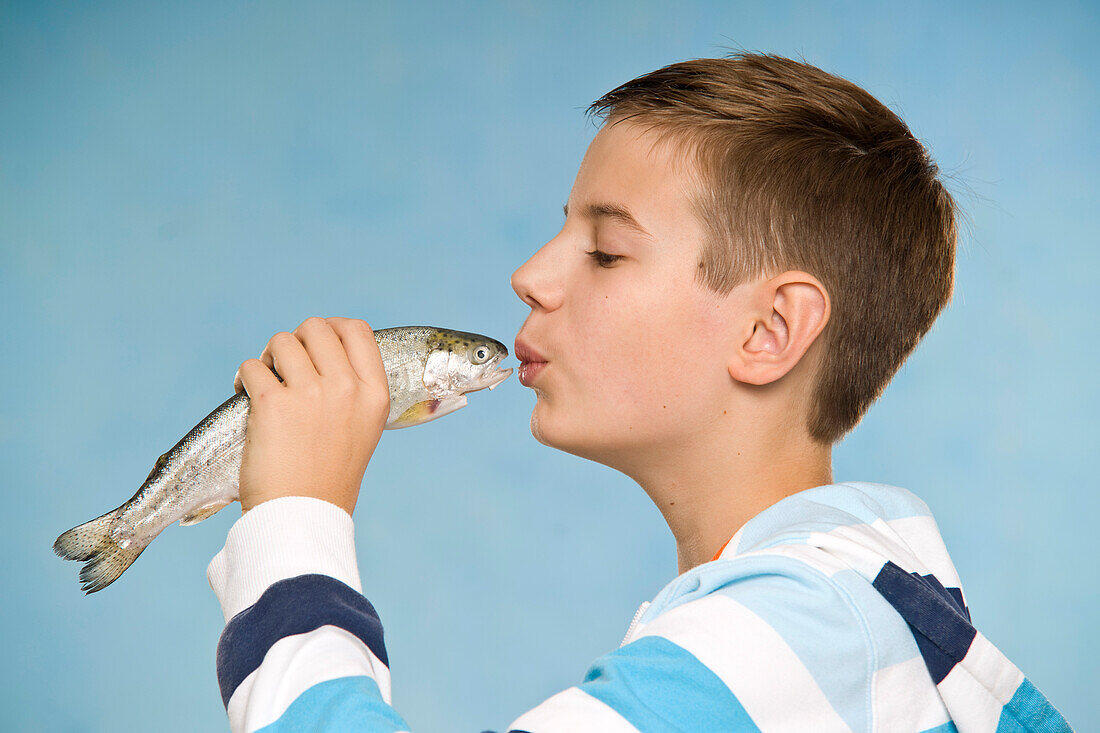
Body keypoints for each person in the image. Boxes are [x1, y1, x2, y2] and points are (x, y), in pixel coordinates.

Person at [210, 53, 1073, 732]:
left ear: (769, 330)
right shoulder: (838, 621)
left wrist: (295, 524)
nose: (530, 275)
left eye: (607, 250)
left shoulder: (798, 635)